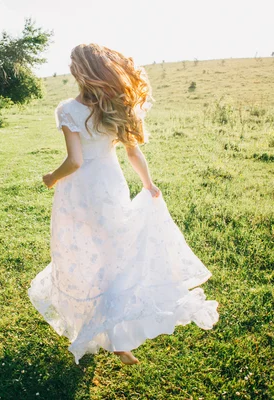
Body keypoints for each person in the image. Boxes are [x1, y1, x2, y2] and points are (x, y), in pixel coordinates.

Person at [28, 43, 219, 365]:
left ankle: (100, 327)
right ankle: (116, 337)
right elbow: (132, 152)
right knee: (115, 256)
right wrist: (147, 184)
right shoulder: (113, 106)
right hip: (110, 185)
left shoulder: (68, 110)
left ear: (78, 72)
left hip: (79, 191)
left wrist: (51, 177)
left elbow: (74, 161)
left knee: (83, 253)